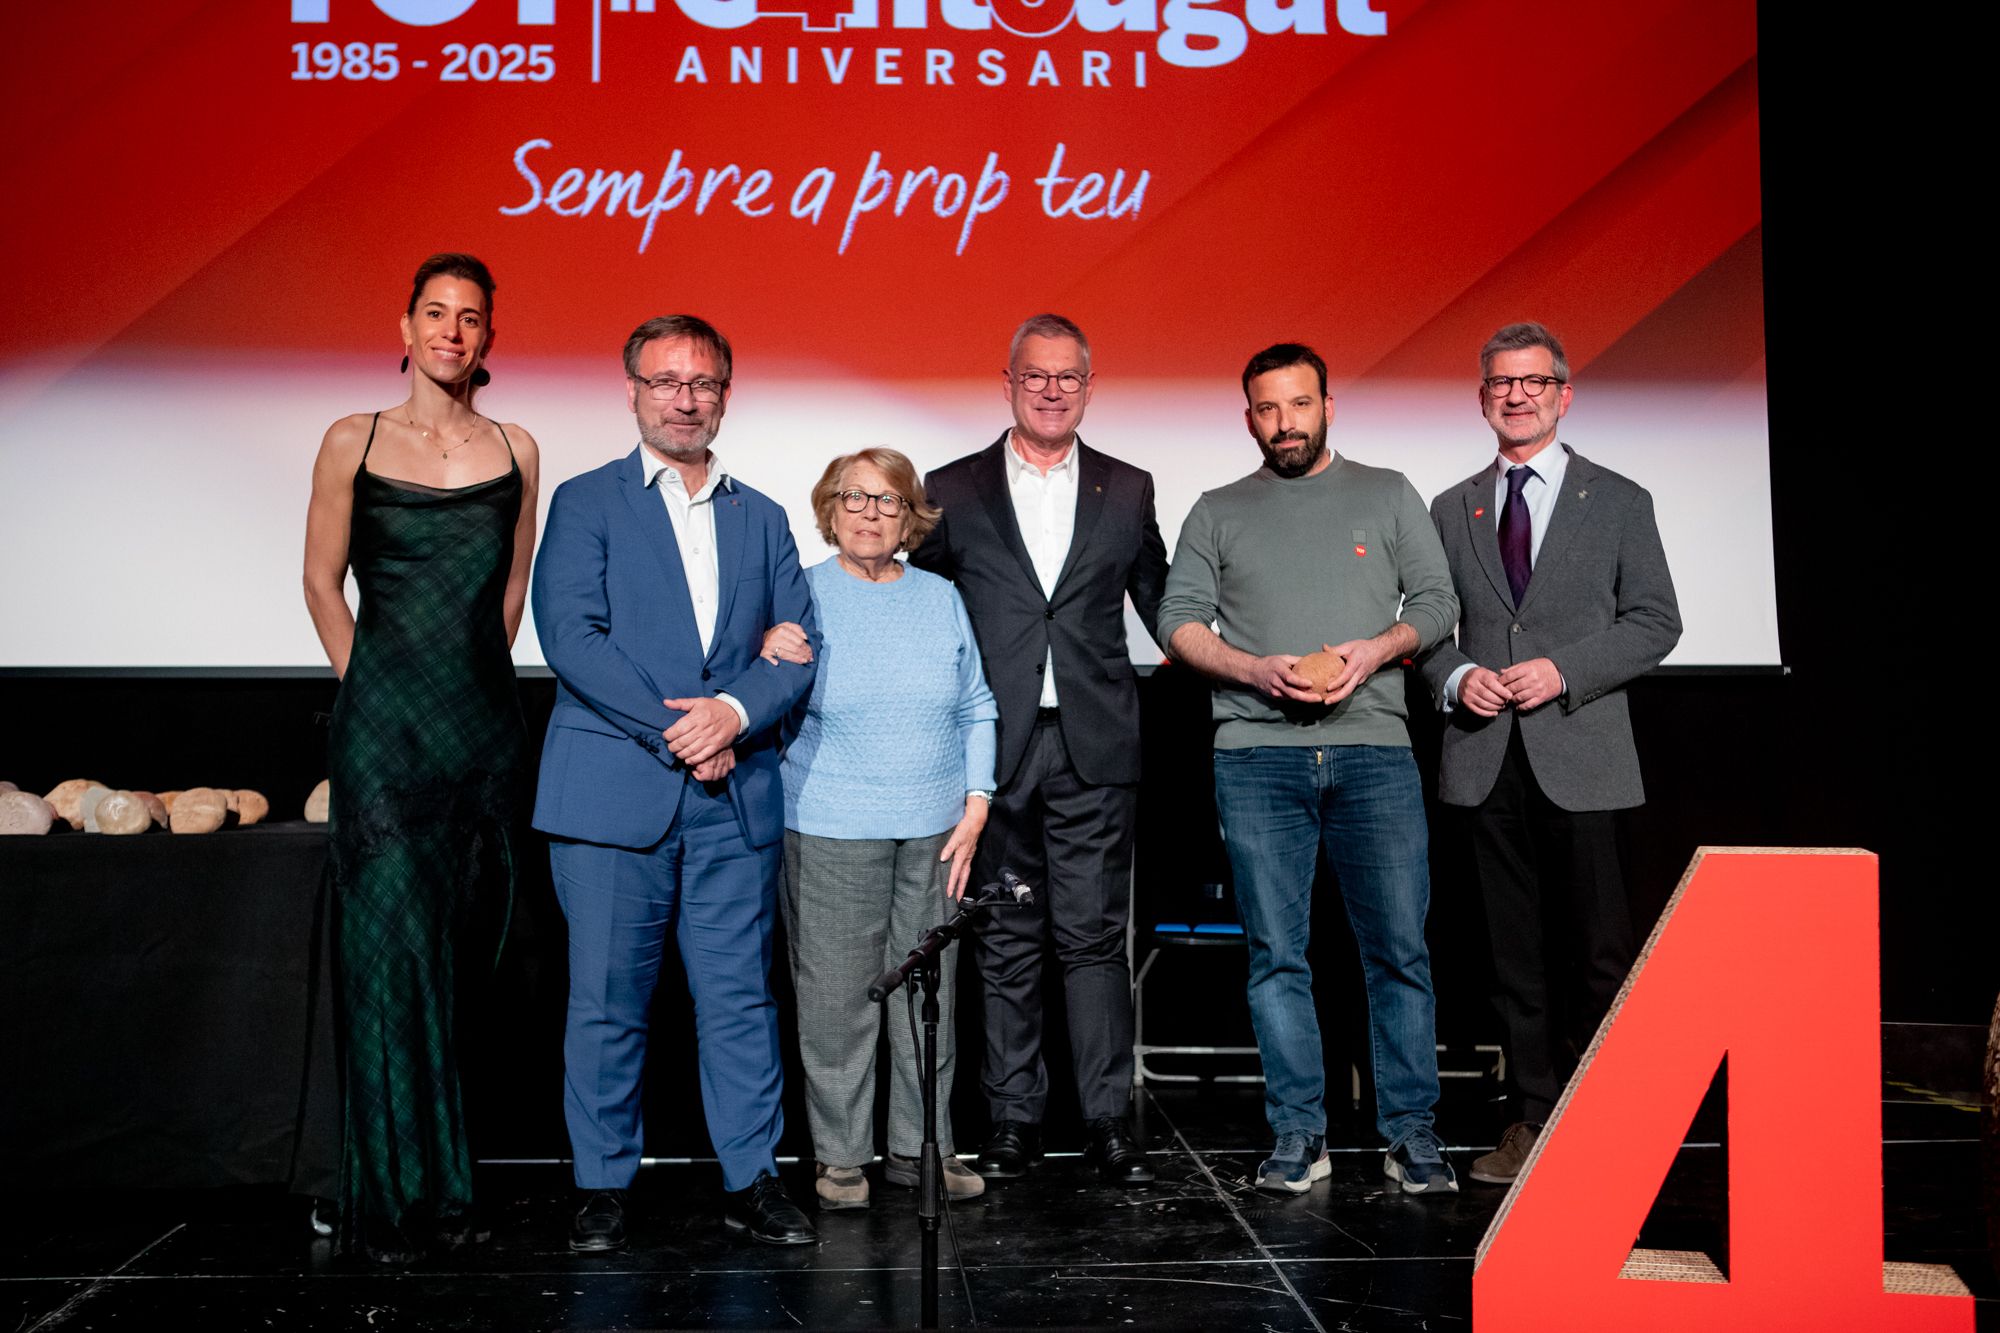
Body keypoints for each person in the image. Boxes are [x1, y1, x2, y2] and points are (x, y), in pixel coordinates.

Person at [530, 315, 819, 1249]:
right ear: (632, 391)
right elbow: (572, 639)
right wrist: (689, 731)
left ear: (725, 394)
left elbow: (798, 646)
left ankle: (753, 1177)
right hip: (613, 799)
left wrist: (733, 712)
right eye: (665, 381)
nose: (684, 399)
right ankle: (602, 1185)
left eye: (702, 383)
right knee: (607, 1001)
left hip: (733, 804)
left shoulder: (762, 515)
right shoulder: (586, 500)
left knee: (740, 1001)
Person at [1155, 342, 1461, 1196]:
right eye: (1267, 409)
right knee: (1275, 956)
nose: (1284, 423)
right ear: (1248, 417)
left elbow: (1437, 601)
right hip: (1256, 756)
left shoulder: (1387, 492)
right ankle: (1298, 1132)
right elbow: (1177, 619)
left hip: (1375, 750)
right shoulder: (1218, 510)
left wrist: (1379, 648)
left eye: (1298, 404)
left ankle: (1411, 1132)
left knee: (1398, 951)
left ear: (1328, 405)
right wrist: (1253, 669)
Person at [302, 252, 541, 1263]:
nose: (451, 330)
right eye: (435, 313)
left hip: (481, 731)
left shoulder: (518, 448)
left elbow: (510, 592)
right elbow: (321, 582)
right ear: (403, 328)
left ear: (487, 338)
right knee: (388, 951)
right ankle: (393, 1192)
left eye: (470, 317)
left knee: (460, 954)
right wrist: (374, 687)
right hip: (383, 730)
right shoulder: (350, 438)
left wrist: (471, 685)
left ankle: (448, 1180)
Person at [1416, 321, 1681, 1183]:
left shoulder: (1620, 499)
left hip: (1585, 758)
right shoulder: (1450, 507)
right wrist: (1459, 677)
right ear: (1482, 397)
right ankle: (1531, 1120)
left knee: (1600, 952)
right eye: (1502, 382)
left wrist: (1562, 670)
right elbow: (1428, 630)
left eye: (1533, 381)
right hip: (1483, 758)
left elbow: (1656, 621)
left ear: (1564, 394)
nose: (1517, 395)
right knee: (1511, 957)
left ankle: (1609, 1125)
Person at [908, 313, 1168, 1186]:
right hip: (991, 750)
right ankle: (1013, 1121)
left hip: (1096, 748)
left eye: (1068, 377)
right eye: (1035, 376)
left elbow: (1167, 604)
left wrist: (1251, 653)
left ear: (1089, 387)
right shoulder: (952, 487)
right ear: (1009, 383)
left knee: (1094, 940)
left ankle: (1106, 1122)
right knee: (1005, 939)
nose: (1052, 390)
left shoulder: (1128, 487)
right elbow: (914, 603)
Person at [763, 447, 999, 1211]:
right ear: (830, 509)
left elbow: (976, 704)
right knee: (836, 999)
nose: (870, 513)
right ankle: (839, 1158)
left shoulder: (940, 596)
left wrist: (977, 803)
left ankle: (919, 1146)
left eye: (888, 499)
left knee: (928, 996)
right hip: (829, 824)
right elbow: (760, 687)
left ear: (910, 517)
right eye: (854, 497)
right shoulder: (800, 592)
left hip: (937, 831)